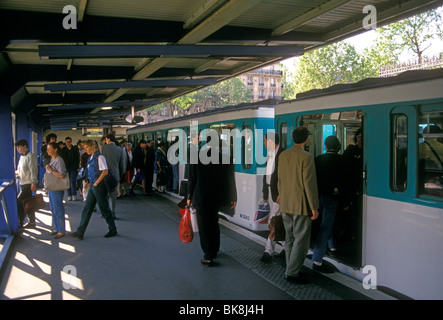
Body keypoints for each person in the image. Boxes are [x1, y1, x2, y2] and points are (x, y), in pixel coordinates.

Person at [187, 135, 237, 266]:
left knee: (204, 226)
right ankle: (214, 249)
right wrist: (233, 197)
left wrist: (188, 197)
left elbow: (192, 179)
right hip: (217, 198)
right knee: (214, 223)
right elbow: (231, 179)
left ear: (206, 142)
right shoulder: (226, 157)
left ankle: (208, 254)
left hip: (201, 198)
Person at [278, 126, 319, 284]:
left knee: (289, 238)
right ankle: (292, 273)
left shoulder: (283, 155)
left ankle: (290, 268)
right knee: (301, 240)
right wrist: (314, 206)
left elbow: (280, 180)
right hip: (301, 204)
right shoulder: (307, 157)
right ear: (306, 139)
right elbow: (309, 184)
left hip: (286, 203)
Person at [312, 136, 349, 273]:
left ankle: (332, 246)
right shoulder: (343, 160)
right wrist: (346, 201)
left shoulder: (318, 159)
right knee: (326, 226)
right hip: (332, 198)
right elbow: (346, 182)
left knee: (328, 221)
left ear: (325, 146)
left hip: (318, 197)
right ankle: (317, 260)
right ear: (338, 146)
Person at [72, 140, 118, 240]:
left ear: (93, 146)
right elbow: (91, 171)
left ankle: (113, 229)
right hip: (93, 185)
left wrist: (96, 182)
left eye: (87, 147)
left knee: (104, 208)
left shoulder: (100, 157)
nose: (85, 149)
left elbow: (105, 171)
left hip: (99, 186)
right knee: (87, 208)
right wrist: (89, 182)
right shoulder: (91, 158)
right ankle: (80, 231)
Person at [260, 132, 285, 263]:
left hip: (278, 193)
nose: (264, 143)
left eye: (265, 141)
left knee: (273, 220)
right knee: (280, 220)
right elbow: (267, 175)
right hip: (270, 191)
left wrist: (282, 192)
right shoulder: (269, 155)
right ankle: (286, 248)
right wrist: (264, 192)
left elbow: (285, 176)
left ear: (270, 141)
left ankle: (268, 251)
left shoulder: (283, 154)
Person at [45, 142, 67, 239]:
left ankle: (61, 230)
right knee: (53, 209)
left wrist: (50, 170)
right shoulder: (52, 159)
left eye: (49, 149)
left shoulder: (59, 160)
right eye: (47, 149)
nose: (48, 151)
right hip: (51, 188)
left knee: (58, 209)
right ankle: (56, 228)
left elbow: (62, 175)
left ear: (55, 149)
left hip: (57, 188)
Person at [15, 139, 38, 229]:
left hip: (28, 184)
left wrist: (33, 182)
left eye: (19, 147)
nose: (18, 149)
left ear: (25, 146)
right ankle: (31, 222)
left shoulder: (30, 156)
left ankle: (20, 222)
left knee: (20, 201)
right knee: (28, 203)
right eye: (17, 148)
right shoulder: (21, 157)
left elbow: (33, 170)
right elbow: (20, 169)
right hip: (22, 182)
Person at [101, 134, 125, 219]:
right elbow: (122, 165)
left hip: (104, 175)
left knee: (104, 194)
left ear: (107, 139)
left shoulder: (103, 148)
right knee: (113, 195)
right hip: (115, 175)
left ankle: (104, 212)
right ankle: (112, 212)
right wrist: (120, 174)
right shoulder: (120, 149)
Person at [61, 136, 80, 201]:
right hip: (66, 168)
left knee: (72, 181)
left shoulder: (75, 149)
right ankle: (69, 195)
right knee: (67, 182)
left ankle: (74, 194)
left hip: (73, 167)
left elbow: (78, 158)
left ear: (71, 142)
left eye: (69, 142)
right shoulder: (63, 150)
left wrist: (78, 166)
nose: (68, 143)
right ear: (65, 142)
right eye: (67, 142)